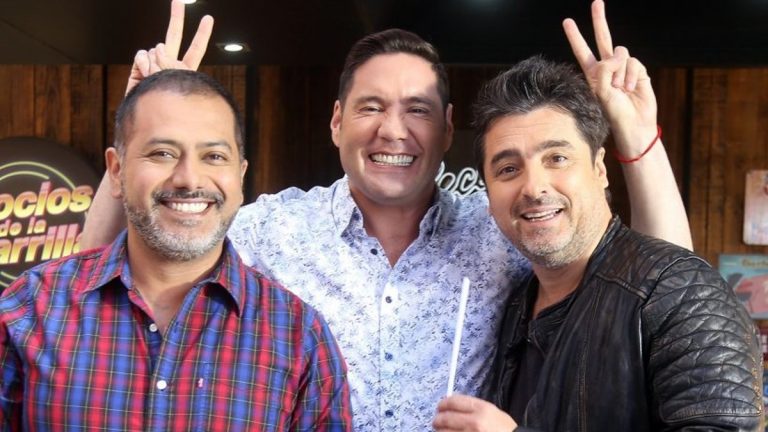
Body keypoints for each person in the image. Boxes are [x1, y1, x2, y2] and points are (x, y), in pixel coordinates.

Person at [80, 1, 693, 429]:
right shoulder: (272, 229)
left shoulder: (498, 232)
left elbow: (662, 289)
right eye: (370, 107)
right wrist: (142, 121)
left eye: (417, 110)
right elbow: (97, 273)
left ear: (447, 129)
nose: (393, 130)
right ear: (337, 122)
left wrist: (636, 134)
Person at [432, 11, 762, 432]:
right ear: (488, 192)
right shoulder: (515, 308)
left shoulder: (683, 292)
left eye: (557, 158)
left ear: (600, 169)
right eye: (508, 169)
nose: (534, 187)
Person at [0, 69, 352, 431]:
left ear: (240, 176)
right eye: (163, 153)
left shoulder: (297, 335)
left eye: (214, 156)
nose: (189, 178)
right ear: (117, 171)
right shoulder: (30, 308)